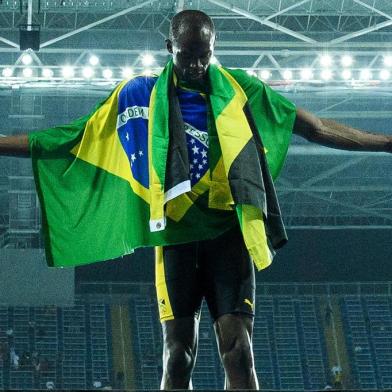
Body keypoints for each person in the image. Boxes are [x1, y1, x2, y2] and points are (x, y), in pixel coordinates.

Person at [0, 9, 391, 391]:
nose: (197, 64)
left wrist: (387, 143)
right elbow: (73, 137)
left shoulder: (242, 90)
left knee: (239, 352)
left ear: (214, 45)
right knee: (178, 356)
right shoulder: (140, 94)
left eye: (204, 54)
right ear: (169, 46)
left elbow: (316, 127)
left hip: (227, 236)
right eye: (187, 55)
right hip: (176, 241)